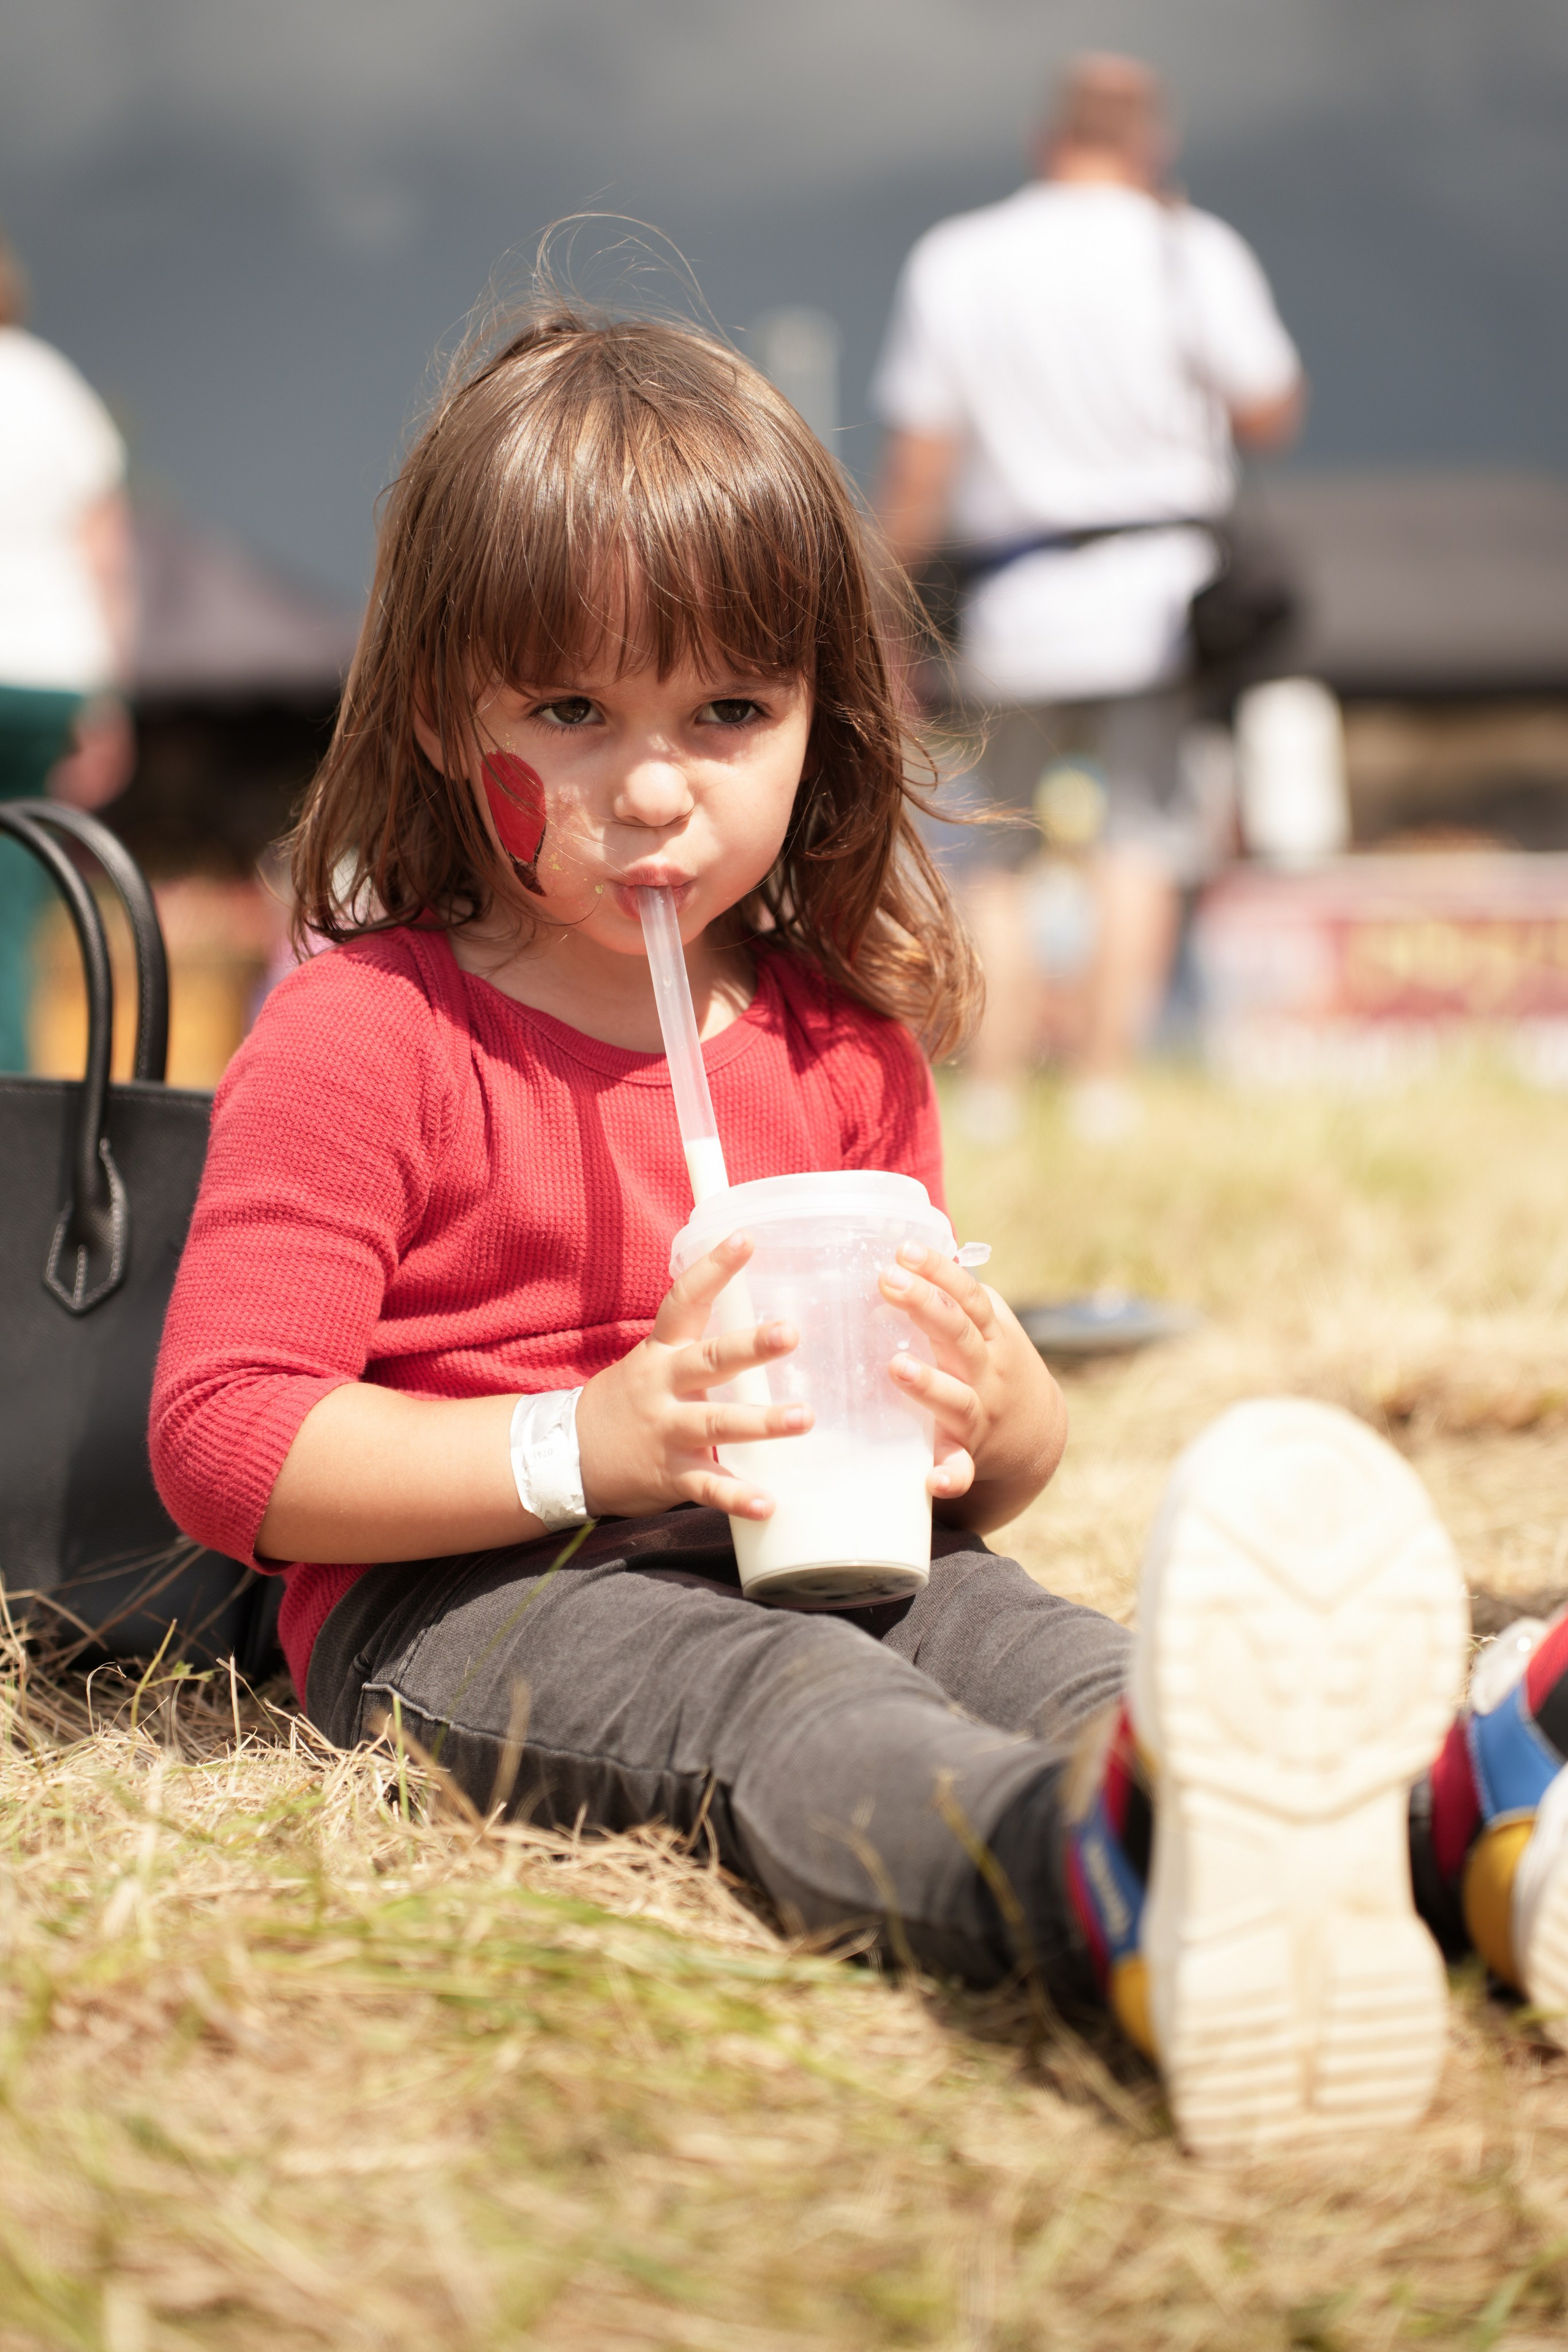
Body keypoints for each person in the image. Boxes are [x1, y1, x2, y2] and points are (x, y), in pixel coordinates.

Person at [149, 305, 1567, 2160]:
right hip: (469, 1593)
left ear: (822, 715)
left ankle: (1426, 1840)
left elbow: (973, 1482)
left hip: (813, 1539)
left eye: (727, 713)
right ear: (437, 711)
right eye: (569, 713)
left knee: (1041, 1649)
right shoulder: (368, 1035)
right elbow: (226, 1440)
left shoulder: (839, 1039)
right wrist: (588, 1443)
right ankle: (1091, 1886)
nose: (654, 785)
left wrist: (1003, 1406)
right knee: (785, 1691)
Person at [873, 53, 1305, 1142]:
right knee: (1140, 840)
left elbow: (921, 460)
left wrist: (884, 604)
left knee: (999, 846)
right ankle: (1107, 1085)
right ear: (1153, 145)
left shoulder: (961, 257)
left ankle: (997, 1088)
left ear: (1046, 141)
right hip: (1157, 601)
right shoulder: (1190, 250)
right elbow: (1270, 412)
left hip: (1012, 602)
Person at [0, 228, 135, 1071]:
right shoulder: (54, 389)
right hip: (49, 674)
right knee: (17, 892)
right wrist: (110, 696)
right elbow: (105, 555)